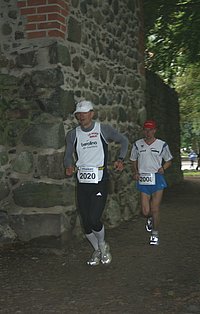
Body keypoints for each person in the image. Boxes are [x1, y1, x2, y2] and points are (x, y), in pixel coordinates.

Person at [64, 100, 128, 266]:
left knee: (94, 218)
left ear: (92, 113)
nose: (81, 116)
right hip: (83, 180)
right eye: (79, 114)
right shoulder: (73, 134)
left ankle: (102, 244)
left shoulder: (103, 129)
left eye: (85, 113)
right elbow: (68, 154)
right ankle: (97, 250)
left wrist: (120, 159)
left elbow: (124, 141)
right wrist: (68, 166)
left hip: (100, 179)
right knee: (85, 222)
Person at [130, 120, 173, 246]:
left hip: (157, 178)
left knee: (155, 209)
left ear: (155, 130)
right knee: (145, 211)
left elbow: (169, 159)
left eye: (150, 130)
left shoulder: (162, 145)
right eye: (146, 130)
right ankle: (150, 219)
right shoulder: (137, 144)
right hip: (144, 179)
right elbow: (133, 159)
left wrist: (163, 168)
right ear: (143, 130)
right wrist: (136, 171)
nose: (148, 132)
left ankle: (155, 234)